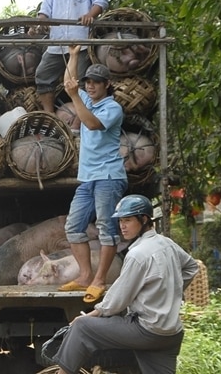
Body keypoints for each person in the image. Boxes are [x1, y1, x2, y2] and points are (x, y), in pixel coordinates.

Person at [53, 194, 199, 374]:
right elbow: (191, 267)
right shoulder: (167, 243)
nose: (122, 226)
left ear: (144, 219)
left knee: (82, 327)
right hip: (170, 334)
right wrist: (170, 290)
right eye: (121, 220)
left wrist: (90, 314)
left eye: (128, 220)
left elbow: (118, 299)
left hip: (147, 331)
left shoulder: (138, 254)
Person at [57, 44, 127, 303]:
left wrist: (76, 97)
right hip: (88, 178)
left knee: (107, 229)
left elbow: (91, 123)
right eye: (88, 82)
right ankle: (85, 276)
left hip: (109, 177)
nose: (90, 86)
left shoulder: (112, 108)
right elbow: (68, 83)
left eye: (96, 83)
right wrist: (74, 56)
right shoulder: (86, 98)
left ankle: (99, 280)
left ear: (107, 84)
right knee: (73, 226)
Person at [31, 0, 109, 113]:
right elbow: (46, 9)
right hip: (57, 42)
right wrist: (40, 23)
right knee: (43, 76)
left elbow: (100, 1)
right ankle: (51, 116)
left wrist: (90, 14)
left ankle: (80, 122)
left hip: (80, 41)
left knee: (82, 82)